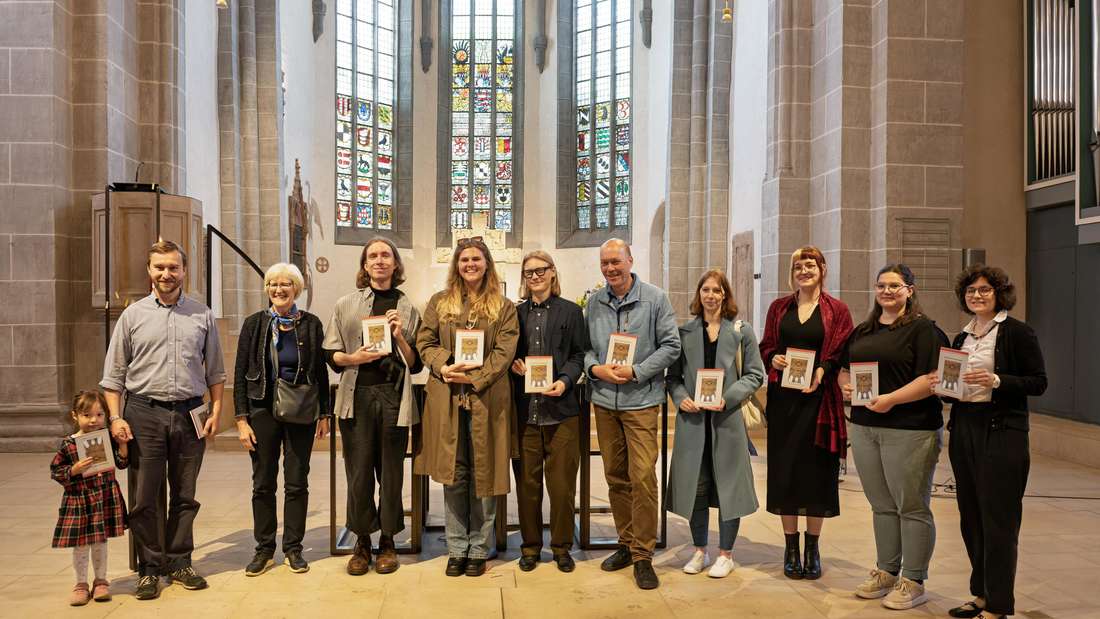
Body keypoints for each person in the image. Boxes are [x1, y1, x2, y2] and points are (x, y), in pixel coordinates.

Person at [101, 240, 225, 600]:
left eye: (173, 267)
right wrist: (114, 418)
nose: (166, 274)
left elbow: (215, 370)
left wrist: (216, 410)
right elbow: (113, 376)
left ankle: (180, 560)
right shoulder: (133, 315)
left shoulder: (201, 315)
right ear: (149, 271)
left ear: (184, 271)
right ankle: (150, 567)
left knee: (185, 494)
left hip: (190, 414)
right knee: (145, 497)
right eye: (160, 267)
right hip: (144, 413)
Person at [943, 265, 1046, 619]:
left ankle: (1000, 603)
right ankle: (982, 594)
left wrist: (997, 380)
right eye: (971, 290)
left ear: (998, 293)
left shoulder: (1017, 332)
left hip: (1002, 430)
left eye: (984, 290)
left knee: (998, 518)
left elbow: (1038, 382)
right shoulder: (962, 338)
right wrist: (942, 386)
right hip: (965, 428)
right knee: (970, 517)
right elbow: (953, 387)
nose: (977, 295)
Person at [840, 264, 943, 610]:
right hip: (866, 427)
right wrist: (846, 386)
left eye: (895, 286)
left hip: (910, 428)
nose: (887, 291)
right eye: (882, 285)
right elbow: (843, 369)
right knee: (881, 505)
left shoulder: (922, 330)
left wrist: (891, 400)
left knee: (911, 506)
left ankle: (913, 579)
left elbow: (932, 378)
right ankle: (886, 571)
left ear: (909, 290)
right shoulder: (864, 330)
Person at [415, 237, 518, 578]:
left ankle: (479, 547)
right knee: (454, 475)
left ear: (487, 263)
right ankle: (456, 547)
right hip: (446, 398)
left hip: (487, 400)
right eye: (464, 260)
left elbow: (505, 352)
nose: (470, 264)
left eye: (476, 259)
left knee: (483, 475)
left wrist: (474, 379)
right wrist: (444, 366)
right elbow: (424, 342)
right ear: (456, 265)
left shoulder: (504, 307)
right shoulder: (439, 303)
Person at [584, 238, 681, 590]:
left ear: (630, 260)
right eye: (605, 263)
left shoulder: (655, 298)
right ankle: (625, 543)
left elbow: (672, 345)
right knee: (615, 476)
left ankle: (643, 554)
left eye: (616, 261)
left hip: (641, 401)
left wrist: (637, 371)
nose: (610, 268)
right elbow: (586, 350)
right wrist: (597, 369)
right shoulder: (594, 302)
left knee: (642, 477)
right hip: (605, 401)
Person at [324, 238, 422, 575]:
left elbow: (416, 363)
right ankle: (362, 540)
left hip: (394, 396)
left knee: (391, 473)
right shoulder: (345, 304)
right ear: (364, 266)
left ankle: (389, 540)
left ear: (395, 264)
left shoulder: (409, 307)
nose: (379, 261)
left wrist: (399, 337)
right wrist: (354, 357)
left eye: (386, 255)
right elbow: (331, 355)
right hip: (357, 397)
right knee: (359, 472)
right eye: (373, 256)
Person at [758, 246, 852, 580]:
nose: (804, 270)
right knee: (786, 473)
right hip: (784, 402)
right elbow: (766, 344)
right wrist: (774, 359)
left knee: (815, 474)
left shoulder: (837, 310)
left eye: (810, 265)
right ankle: (790, 547)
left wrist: (823, 370)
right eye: (798, 266)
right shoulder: (778, 307)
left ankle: (813, 547)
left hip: (819, 402)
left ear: (823, 269)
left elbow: (842, 350)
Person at [233, 263, 330, 576]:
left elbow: (320, 372)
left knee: (297, 481)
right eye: (273, 284)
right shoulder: (254, 324)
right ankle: (263, 549)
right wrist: (241, 419)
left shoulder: (311, 324)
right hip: (261, 409)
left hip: (300, 409)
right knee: (262, 483)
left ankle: (293, 548)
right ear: (267, 289)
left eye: (285, 284)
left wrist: (324, 413)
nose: (278, 289)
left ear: (296, 289)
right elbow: (239, 374)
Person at [666, 270, 764, 578]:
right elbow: (674, 378)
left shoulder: (741, 331)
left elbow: (754, 374)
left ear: (725, 295)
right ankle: (699, 551)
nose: (710, 295)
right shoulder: (685, 332)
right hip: (693, 423)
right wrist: (680, 397)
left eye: (716, 290)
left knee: (728, 488)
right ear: (699, 295)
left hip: (726, 421)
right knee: (696, 488)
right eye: (705, 290)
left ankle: (726, 554)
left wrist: (729, 397)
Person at [509, 251, 587, 573]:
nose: (535, 276)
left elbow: (579, 355)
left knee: (562, 486)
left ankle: (561, 546)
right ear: (524, 278)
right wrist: (515, 365)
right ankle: (529, 547)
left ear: (553, 273)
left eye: (541, 270)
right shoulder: (514, 314)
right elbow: (507, 353)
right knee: (527, 486)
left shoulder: (571, 311)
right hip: (526, 412)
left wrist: (565, 380)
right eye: (529, 272)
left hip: (562, 411)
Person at [51, 390, 129, 606]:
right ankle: (81, 584)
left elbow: (122, 463)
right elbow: (56, 470)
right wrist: (74, 469)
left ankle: (101, 581)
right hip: (79, 500)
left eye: (99, 415)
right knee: (81, 544)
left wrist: (122, 445)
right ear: (75, 416)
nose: (94, 420)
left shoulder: (107, 439)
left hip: (104, 496)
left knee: (100, 542)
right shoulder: (69, 444)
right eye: (87, 415)